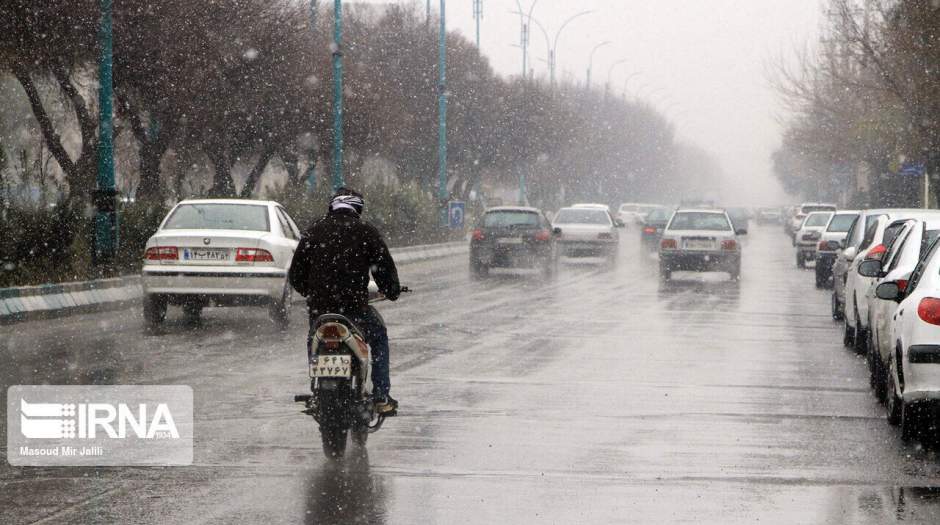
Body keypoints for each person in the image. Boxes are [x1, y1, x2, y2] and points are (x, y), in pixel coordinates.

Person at [288, 188, 401, 414]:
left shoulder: (313, 231)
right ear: (357, 208)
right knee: (378, 336)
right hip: (354, 310)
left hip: (320, 311)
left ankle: (317, 389)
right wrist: (392, 291)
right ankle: (380, 395)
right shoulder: (366, 232)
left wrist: (312, 292)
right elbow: (385, 271)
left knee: (314, 340)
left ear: (332, 206)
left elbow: (296, 275)